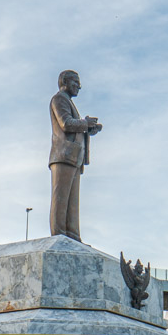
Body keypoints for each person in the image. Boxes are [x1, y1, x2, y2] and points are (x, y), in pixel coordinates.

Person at [49, 70, 102, 241]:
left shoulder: (68, 101)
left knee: (72, 202)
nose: (79, 86)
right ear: (64, 81)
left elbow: (74, 126)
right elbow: (65, 123)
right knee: (61, 199)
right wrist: (85, 123)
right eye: (75, 82)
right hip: (63, 155)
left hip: (74, 157)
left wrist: (88, 128)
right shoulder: (59, 99)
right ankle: (59, 235)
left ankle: (72, 236)